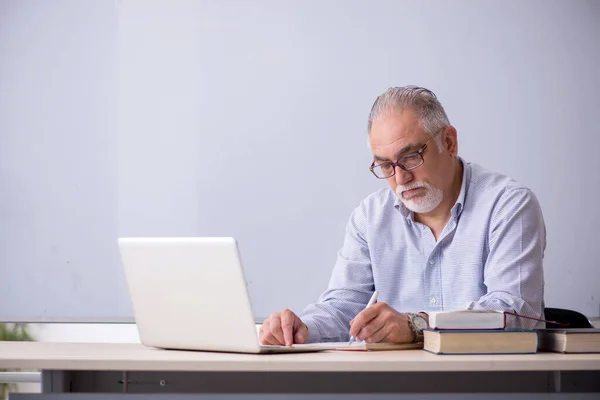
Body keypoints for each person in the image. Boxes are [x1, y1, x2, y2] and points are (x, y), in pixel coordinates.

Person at [259, 86, 546, 346]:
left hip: (487, 381)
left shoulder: (507, 205)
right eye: (385, 165)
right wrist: (302, 328)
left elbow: (515, 311)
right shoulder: (370, 217)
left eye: (410, 157)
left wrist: (418, 326)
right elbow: (342, 307)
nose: (401, 178)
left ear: (449, 142)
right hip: (393, 383)